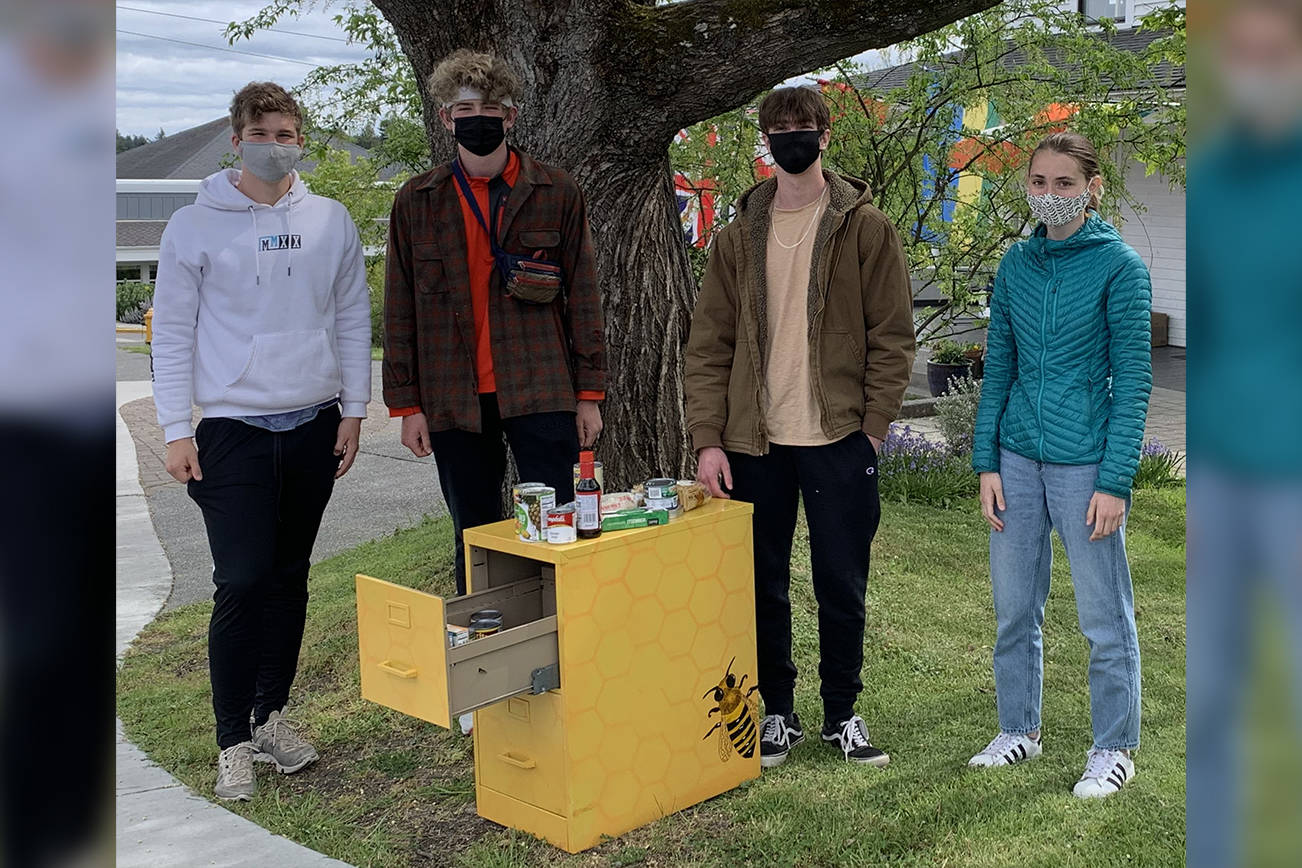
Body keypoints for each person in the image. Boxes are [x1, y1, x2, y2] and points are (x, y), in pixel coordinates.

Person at [151, 82, 372, 801]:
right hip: (231, 430)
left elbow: (349, 316)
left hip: (312, 420)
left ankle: (270, 714)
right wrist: (176, 429)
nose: (277, 144)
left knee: (289, 577)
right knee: (241, 580)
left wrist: (353, 409)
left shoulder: (331, 220)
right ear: (236, 138)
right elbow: (174, 335)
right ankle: (232, 742)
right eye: (263, 132)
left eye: (289, 132)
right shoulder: (192, 225)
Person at [685, 86, 916, 768]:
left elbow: (894, 338)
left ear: (824, 133)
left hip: (839, 436)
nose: (790, 135)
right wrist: (707, 439)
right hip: (754, 439)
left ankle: (842, 713)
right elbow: (708, 347)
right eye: (778, 127)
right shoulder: (736, 238)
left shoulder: (865, 229)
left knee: (841, 581)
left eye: (802, 125)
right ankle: (777, 712)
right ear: (765, 140)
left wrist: (872, 429)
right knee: (762, 582)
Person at [969, 131, 1152, 799]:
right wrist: (987, 460)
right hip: (1017, 458)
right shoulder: (1017, 264)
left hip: (1084, 465)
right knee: (1015, 607)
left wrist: (1114, 481)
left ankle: (1113, 747)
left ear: (1093, 188)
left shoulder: (1119, 267)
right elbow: (999, 372)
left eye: (1064, 183)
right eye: (1039, 182)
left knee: (1104, 616)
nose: (1049, 195)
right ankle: (1018, 728)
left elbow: (1133, 382)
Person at [383, 49, 606, 595]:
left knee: (556, 530)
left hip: (542, 388)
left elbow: (584, 296)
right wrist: (406, 405)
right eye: (465, 108)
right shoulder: (417, 199)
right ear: (444, 117)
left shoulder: (557, 191)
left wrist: (590, 394)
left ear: (511, 116)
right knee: (474, 532)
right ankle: (485, 642)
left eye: (491, 108)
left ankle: (561, 632)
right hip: (452, 398)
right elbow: (399, 307)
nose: (477, 118)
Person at [1187, 1, 1302, 863]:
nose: (1259, 68)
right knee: (1215, 693)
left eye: (1276, 52)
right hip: (1220, 471)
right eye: (1246, 53)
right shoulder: (1215, 179)